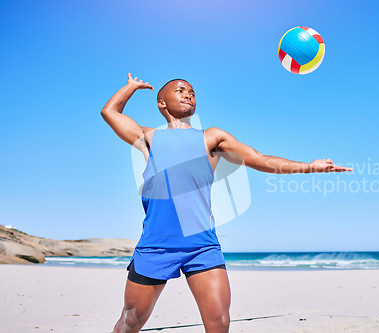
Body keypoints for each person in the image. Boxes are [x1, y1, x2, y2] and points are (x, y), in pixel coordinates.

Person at [101, 73, 352, 333]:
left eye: (192, 92)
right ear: (161, 103)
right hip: (156, 246)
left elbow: (260, 159)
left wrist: (310, 167)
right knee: (130, 322)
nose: (189, 94)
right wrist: (130, 87)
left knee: (220, 323)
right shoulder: (149, 137)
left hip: (201, 246)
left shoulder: (211, 138)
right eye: (180, 90)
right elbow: (109, 112)